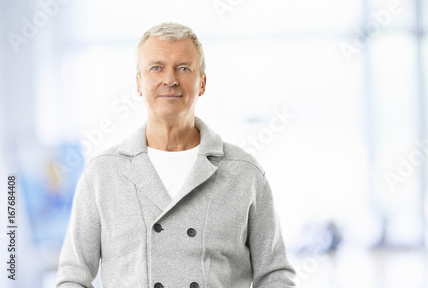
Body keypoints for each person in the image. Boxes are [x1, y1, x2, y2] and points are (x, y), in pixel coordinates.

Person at [56, 22, 296, 288]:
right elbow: (73, 278)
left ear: (202, 83)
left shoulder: (245, 173)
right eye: (156, 67)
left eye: (183, 68)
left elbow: (275, 275)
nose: (170, 79)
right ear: (139, 83)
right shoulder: (102, 175)